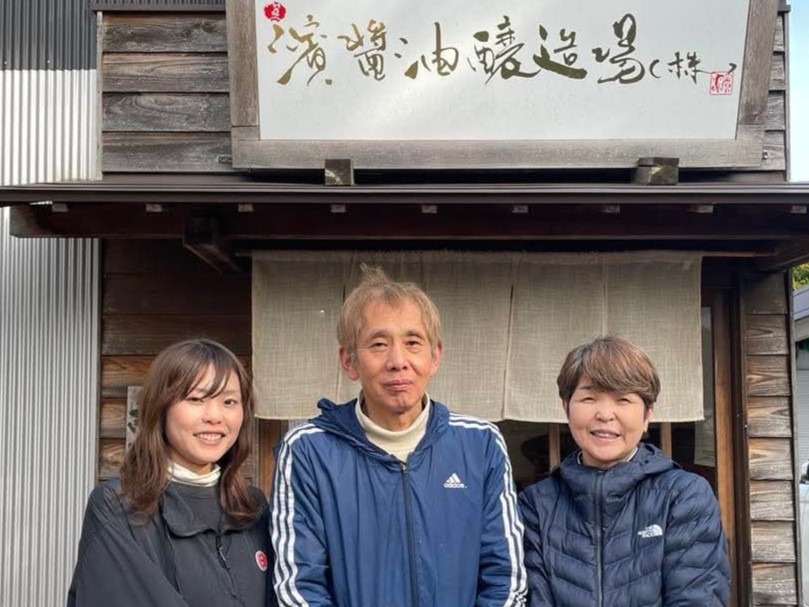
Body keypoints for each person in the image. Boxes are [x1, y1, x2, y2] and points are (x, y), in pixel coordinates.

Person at [271, 266, 527, 607]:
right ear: (349, 361)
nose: (398, 361)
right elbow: (300, 587)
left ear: (435, 356)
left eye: (413, 343)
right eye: (378, 344)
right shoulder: (308, 450)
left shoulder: (480, 445)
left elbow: (506, 578)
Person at [518, 336, 730, 607]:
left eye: (623, 399)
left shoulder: (683, 495)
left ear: (648, 414)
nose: (605, 414)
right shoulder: (536, 504)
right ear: (566, 407)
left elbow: (697, 598)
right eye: (589, 397)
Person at [67, 339, 271, 607]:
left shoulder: (252, 507)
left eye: (229, 401)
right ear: (160, 407)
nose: (215, 416)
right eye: (196, 399)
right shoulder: (120, 506)